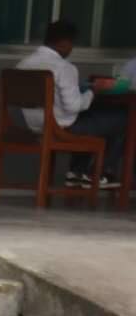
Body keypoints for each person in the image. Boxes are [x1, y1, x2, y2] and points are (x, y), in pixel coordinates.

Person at [16, 19, 125, 189]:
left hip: (35, 125)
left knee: (92, 118)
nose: (72, 48)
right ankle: (99, 174)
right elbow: (73, 107)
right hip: (61, 128)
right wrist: (92, 91)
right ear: (64, 43)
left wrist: (78, 88)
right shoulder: (64, 67)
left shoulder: (23, 65)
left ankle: (77, 172)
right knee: (123, 119)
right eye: (72, 43)